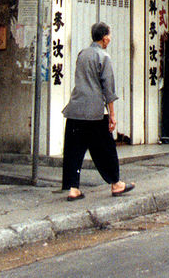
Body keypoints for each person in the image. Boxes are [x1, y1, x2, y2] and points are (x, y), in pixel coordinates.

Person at [61, 21, 134, 201]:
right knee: (105, 149)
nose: (110, 38)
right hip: (94, 112)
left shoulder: (82, 54)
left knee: (74, 150)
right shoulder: (104, 57)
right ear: (104, 38)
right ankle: (116, 184)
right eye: (109, 35)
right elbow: (108, 89)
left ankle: (73, 188)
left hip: (75, 109)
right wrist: (113, 116)